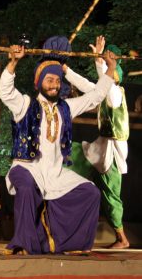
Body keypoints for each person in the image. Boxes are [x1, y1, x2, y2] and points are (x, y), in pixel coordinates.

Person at [0, 42, 117, 255]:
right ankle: (23, 243)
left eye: (57, 81)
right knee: (26, 189)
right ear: (39, 83)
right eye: (49, 80)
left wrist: (110, 69)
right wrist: (13, 63)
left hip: (55, 172)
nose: (54, 84)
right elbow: (4, 92)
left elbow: (96, 96)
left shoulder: (66, 107)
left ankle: (65, 243)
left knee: (90, 192)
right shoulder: (24, 104)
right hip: (26, 169)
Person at [65, 36, 130, 249]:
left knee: (112, 197)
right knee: (70, 154)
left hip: (112, 151)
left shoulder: (116, 94)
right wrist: (65, 70)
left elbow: (106, 85)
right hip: (99, 149)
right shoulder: (106, 88)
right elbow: (87, 85)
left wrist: (103, 64)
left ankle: (122, 238)